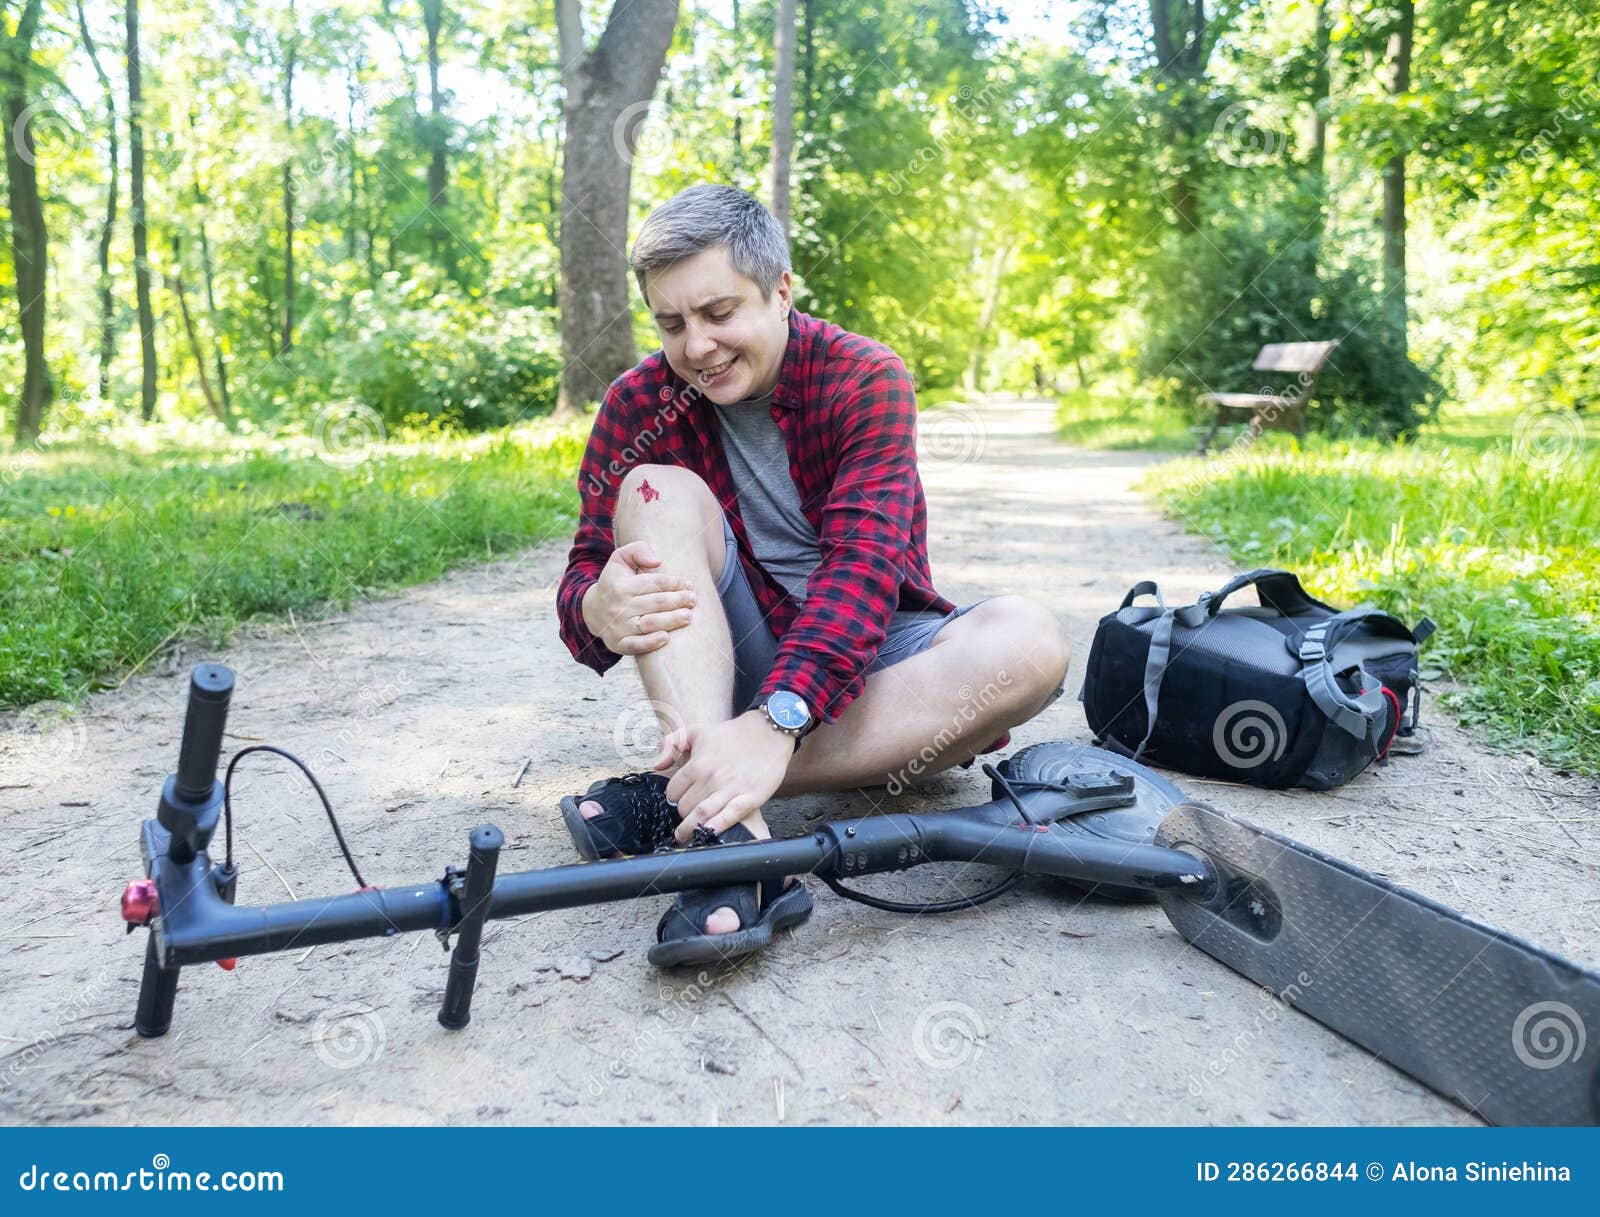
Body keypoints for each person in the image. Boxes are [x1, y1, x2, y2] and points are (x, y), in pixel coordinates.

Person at [555, 184, 1070, 967]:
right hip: (725, 657)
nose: (696, 346)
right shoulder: (637, 403)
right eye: (671, 323)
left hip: (868, 661)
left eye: (719, 312)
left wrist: (776, 724)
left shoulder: (865, 376)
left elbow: (862, 575)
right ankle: (733, 846)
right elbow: (583, 580)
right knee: (651, 490)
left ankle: (687, 798)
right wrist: (597, 606)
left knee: (1031, 640)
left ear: (781, 290)